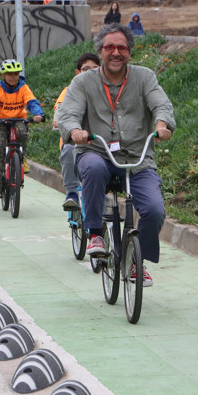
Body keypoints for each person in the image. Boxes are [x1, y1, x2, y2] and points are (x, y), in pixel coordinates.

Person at [57, 24, 175, 287]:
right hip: (95, 151)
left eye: (122, 47)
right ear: (100, 51)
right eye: (110, 47)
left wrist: (162, 124)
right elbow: (68, 113)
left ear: (129, 52)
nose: (116, 52)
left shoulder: (144, 77)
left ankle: (136, 260)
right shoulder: (83, 82)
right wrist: (75, 130)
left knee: (155, 211)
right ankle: (96, 233)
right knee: (94, 168)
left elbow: (160, 103)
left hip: (136, 158)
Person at [0, 59, 44, 198]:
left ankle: (22, 158)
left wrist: (38, 114)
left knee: (22, 133)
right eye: (9, 74)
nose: (13, 77)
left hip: (18, 119)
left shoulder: (23, 87)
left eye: (16, 74)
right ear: (3, 76)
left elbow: (32, 102)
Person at [52, 52, 101, 210]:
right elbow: (59, 115)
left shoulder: (106, 92)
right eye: (86, 69)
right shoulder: (69, 91)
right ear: (77, 72)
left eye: (95, 68)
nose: (91, 72)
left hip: (99, 141)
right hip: (75, 141)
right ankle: (71, 192)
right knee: (68, 150)